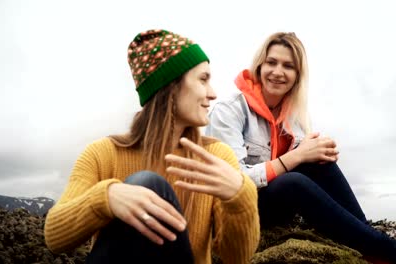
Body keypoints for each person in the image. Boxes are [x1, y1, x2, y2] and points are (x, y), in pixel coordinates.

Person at [204, 32, 396, 264]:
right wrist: (295, 157)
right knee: (293, 181)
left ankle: (369, 245)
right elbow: (234, 181)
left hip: (270, 210)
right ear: (259, 66)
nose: (278, 72)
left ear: (297, 76)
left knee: (317, 161)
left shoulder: (292, 116)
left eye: (288, 66)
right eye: (272, 62)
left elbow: (304, 161)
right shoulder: (230, 110)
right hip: (232, 213)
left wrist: (318, 152)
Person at [44, 29, 260, 264]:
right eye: (203, 79)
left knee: (146, 184)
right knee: (146, 183)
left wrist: (240, 195)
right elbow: (55, 237)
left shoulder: (216, 156)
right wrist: (106, 198)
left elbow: (237, 258)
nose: (213, 93)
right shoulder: (102, 154)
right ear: (171, 86)